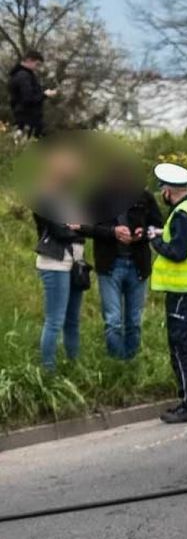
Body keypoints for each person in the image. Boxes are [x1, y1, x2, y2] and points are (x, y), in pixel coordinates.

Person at [147, 162, 187, 423]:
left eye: (162, 188)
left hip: (183, 290)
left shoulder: (182, 215)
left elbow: (179, 252)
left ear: (168, 190)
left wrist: (156, 241)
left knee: (181, 346)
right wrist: (166, 232)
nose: (161, 193)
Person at [83, 157, 159, 361]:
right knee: (113, 320)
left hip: (138, 265)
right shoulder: (97, 197)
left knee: (134, 321)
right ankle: (117, 362)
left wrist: (142, 233)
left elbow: (158, 226)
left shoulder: (144, 197)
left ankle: (131, 362)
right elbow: (85, 227)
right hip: (110, 265)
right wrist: (113, 232)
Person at [31, 144, 87, 369]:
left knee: (72, 320)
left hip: (75, 259)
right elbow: (59, 230)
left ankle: (74, 367)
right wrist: (79, 227)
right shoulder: (45, 197)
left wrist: (80, 226)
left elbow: (84, 224)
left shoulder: (70, 196)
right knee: (55, 320)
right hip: (54, 261)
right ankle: (49, 371)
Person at [8, 49, 54, 138]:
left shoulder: (20, 75)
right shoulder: (24, 76)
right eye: (37, 64)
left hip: (23, 117)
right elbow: (28, 99)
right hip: (28, 119)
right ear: (29, 60)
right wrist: (45, 95)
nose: (37, 68)